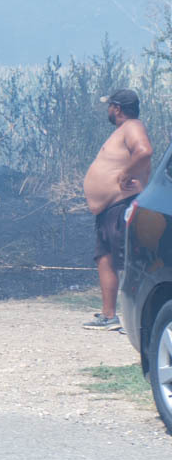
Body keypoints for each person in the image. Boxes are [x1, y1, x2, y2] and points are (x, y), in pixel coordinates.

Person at [81, 88, 153, 330]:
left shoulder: (133, 126)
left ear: (118, 108)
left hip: (122, 204)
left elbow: (145, 151)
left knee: (129, 262)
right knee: (105, 258)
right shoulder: (123, 131)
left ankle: (139, 321)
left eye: (110, 106)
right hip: (109, 208)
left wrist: (125, 173)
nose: (108, 110)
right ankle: (109, 315)